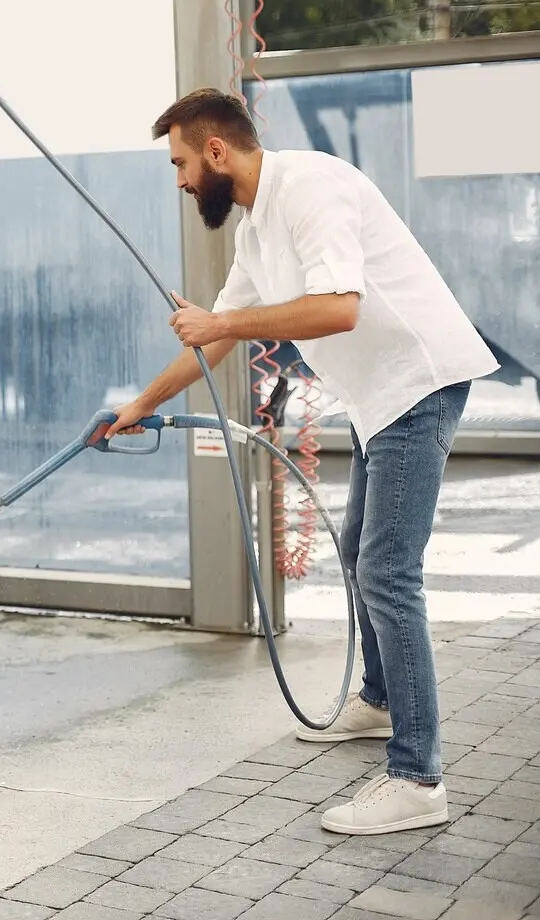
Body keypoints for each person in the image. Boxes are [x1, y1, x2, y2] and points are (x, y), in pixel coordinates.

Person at [108, 88, 498, 836]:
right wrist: (142, 405)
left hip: (421, 382)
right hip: (381, 396)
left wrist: (222, 318)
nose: (181, 181)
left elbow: (339, 306)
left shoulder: (312, 187)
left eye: (182, 163)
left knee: (387, 570)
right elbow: (215, 342)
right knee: (361, 554)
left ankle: (418, 777)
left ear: (217, 151)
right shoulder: (256, 231)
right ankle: (381, 704)